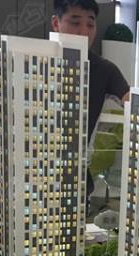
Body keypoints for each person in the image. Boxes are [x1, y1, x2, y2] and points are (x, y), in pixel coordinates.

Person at [51, 0, 130, 198]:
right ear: (56, 23)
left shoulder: (105, 69)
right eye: (75, 22)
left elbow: (132, 101)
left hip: (76, 176)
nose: (83, 32)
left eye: (90, 24)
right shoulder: (35, 59)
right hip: (34, 171)